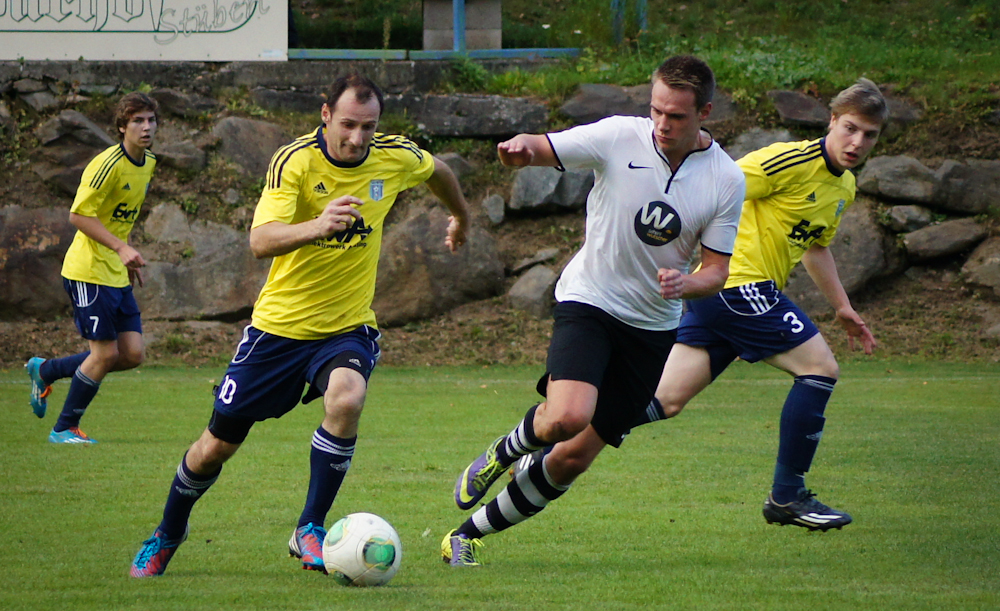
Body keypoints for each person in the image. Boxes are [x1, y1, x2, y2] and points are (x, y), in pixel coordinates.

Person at [129, 73, 470, 578]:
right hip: (278, 331)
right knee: (214, 448)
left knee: (347, 398)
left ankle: (309, 526)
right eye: (348, 124)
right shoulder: (295, 161)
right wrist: (318, 225)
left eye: (368, 127)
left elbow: (437, 169)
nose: (357, 137)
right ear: (326, 114)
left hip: (346, 327)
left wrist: (461, 216)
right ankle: (167, 533)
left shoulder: (394, 157)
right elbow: (260, 240)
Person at [516, 78, 887, 533]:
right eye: (850, 128)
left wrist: (842, 307)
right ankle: (787, 495)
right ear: (831, 121)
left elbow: (815, 246)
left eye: (869, 135)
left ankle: (552, 443)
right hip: (738, 286)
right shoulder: (790, 161)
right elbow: (715, 184)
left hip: (722, 298)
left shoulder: (843, 186)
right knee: (821, 369)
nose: (857, 142)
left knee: (664, 399)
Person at [443, 55, 745, 566]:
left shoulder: (726, 179)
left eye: (676, 116)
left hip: (651, 329)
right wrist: (521, 151)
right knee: (567, 416)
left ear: (705, 113)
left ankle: (465, 536)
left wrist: (687, 283)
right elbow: (547, 146)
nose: (662, 124)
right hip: (591, 301)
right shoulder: (619, 136)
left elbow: (717, 270)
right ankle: (504, 451)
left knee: (572, 458)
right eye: (656, 110)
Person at [25, 92, 159, 444]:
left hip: (114, 271)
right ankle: (64, 428)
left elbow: (119, 217)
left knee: (131, 354)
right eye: (137, 121)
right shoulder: (106, 164)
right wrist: (120, 247)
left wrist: (125, 255)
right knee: (104, 354)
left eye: (151, 120)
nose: (146, 127)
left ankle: (46, 370)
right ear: (122, 127)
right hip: (88, 271)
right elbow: (79, 215)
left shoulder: (148, 163)